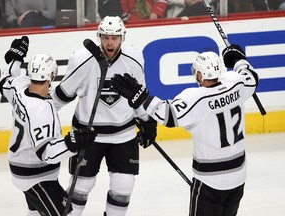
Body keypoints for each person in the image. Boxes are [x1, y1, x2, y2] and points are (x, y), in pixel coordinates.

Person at [111, 44, 259, 216]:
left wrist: (141, 97)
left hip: (211, 182)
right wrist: (238, 59)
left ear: (200, 74)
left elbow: (167, 115)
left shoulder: (196, 98)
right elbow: (251, 76)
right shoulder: (236, 84)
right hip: (238, 178)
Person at [50, 16, 157, 216]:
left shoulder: (134, 59)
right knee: (80, 186)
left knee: (123, 186)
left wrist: (146, 120)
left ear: (122, 38)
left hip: (123, 134)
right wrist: (39, 113)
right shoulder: (82, 59)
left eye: (115, 38)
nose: (110, 43)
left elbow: (138, 96)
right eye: (106, 37)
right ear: (99, 36)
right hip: (87, 134)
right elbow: (61, 96)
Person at [0, 36, 96, 216]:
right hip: (36, 176)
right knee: (66, 214)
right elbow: (46, 153)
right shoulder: (42, 110)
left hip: (20, 167)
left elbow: (4, 80)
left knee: (35, 212)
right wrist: (72, 142)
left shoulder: (19, 87)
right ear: (51, 76)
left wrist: (16, 59)